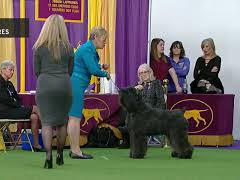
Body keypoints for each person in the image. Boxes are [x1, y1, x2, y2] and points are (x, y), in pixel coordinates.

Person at [33, 14, 74, 169]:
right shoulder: (69, 47)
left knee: (47, 123)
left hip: (45, 85)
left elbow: (36, 71)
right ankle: (60, 154)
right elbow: (70, 70)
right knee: (63, 122)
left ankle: (48, 156)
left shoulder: (39, 47)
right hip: (64, 85)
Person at [68, 26, 111, 159]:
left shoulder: (88, 49)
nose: (105, 43)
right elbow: (92, 69)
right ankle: (75, 151)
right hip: (76, 84)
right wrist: (105, 73)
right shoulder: (87, 49)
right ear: (95, 37)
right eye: (104, 40)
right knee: (74, 118)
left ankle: (74, 149)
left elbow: (87, 65)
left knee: (74, 117)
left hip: (76, 84)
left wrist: (100, 66)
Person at [0, 60, 43, 151]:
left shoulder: (9, 84)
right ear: (2, 70)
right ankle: (50, 131)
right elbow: (5, 100)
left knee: (34, 117)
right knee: (35, 108)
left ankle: (36, 145)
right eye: (10, 70)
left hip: (13, 109)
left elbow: (17, 98)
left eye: (13, 70)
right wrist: (18, 105)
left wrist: (18, 104)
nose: (12, 72)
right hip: (5, 112)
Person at [118, 63, 166, 148]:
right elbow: (129, 99)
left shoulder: (156, 83)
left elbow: (161, 102)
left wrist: (158, 113)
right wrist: (135, 89)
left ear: (150, 72)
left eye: (145, 72)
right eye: (141, 73)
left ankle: (127, 132)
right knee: (126, 111)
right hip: (140, 113)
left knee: (134, 118)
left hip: (152, 112)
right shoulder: (138, 86)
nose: (143, 74)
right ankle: (127, 138)